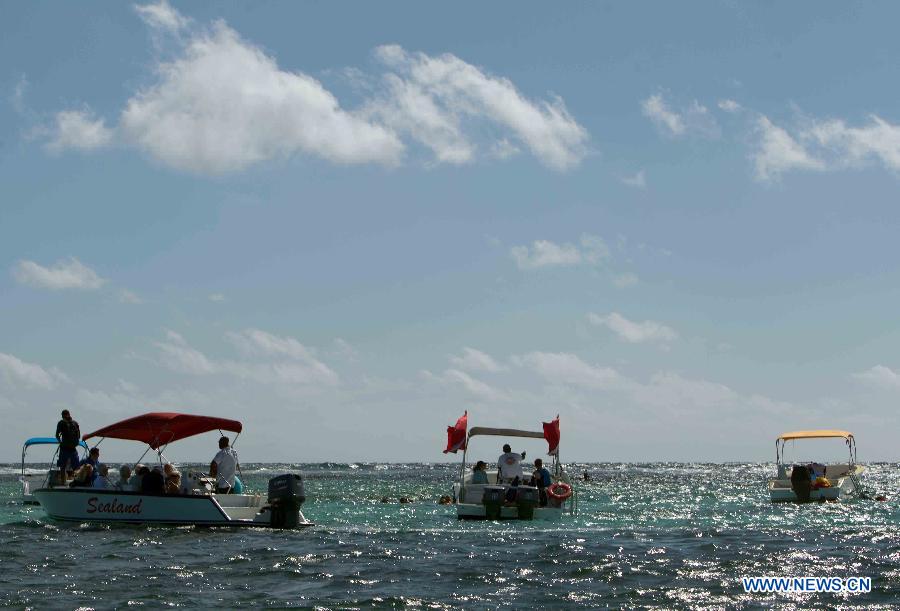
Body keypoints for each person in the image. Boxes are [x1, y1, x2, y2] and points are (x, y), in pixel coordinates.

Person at [55, 409, 81, 484]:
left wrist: (60, 442)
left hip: (64, 448)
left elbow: (57, 435)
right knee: (76, 467)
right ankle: (77, 482)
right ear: (69, 414)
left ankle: (63, 483)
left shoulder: (61, 423)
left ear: (63, 416)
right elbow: (79, 436)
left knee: (63, 467)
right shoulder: (75, 423)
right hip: (73, 449)